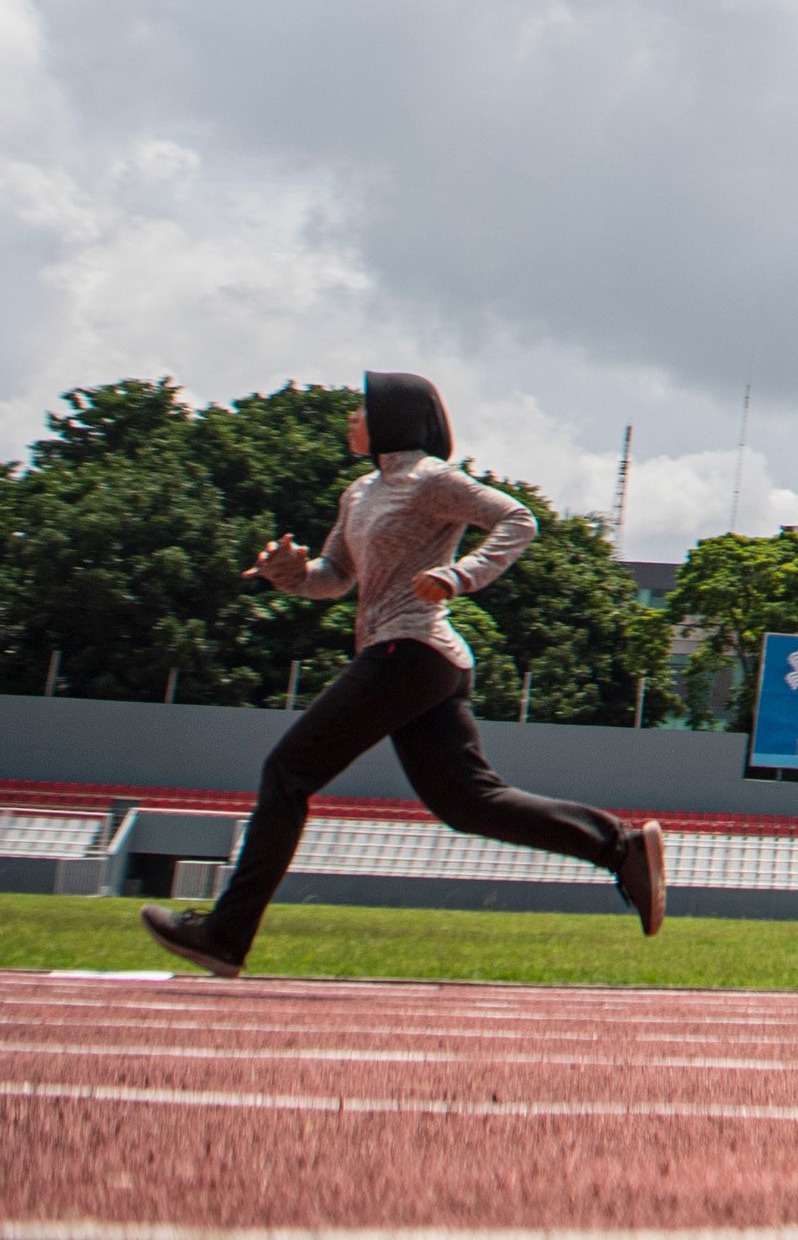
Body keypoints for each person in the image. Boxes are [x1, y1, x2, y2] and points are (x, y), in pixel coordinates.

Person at [142, 372, 663, 977]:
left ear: (394, 418)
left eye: (361, 410)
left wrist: (459, 576)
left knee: (287, 771)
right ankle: (620, 846)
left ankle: (226, 934)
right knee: (469, 803)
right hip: (416, 661)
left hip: (408, 651)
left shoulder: (431, 480)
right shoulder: (359, 493)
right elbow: (334, 576)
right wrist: (289, 572)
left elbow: (518, 520)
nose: (351, 420)